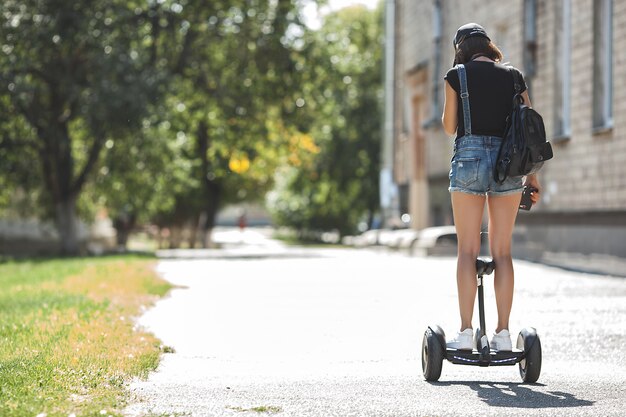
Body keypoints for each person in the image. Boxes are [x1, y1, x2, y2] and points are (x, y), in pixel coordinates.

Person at [441, 23, 541, 351]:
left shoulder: (457, 75)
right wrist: (533, 177)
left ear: (461, 49)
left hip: (469, 159)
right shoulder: (514, 77)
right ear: (489, 45)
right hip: (508, 164)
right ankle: (502, 334)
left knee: (467, 251)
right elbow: (529, 129)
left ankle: (466, 332)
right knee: (503, 252)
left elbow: (449, 126)